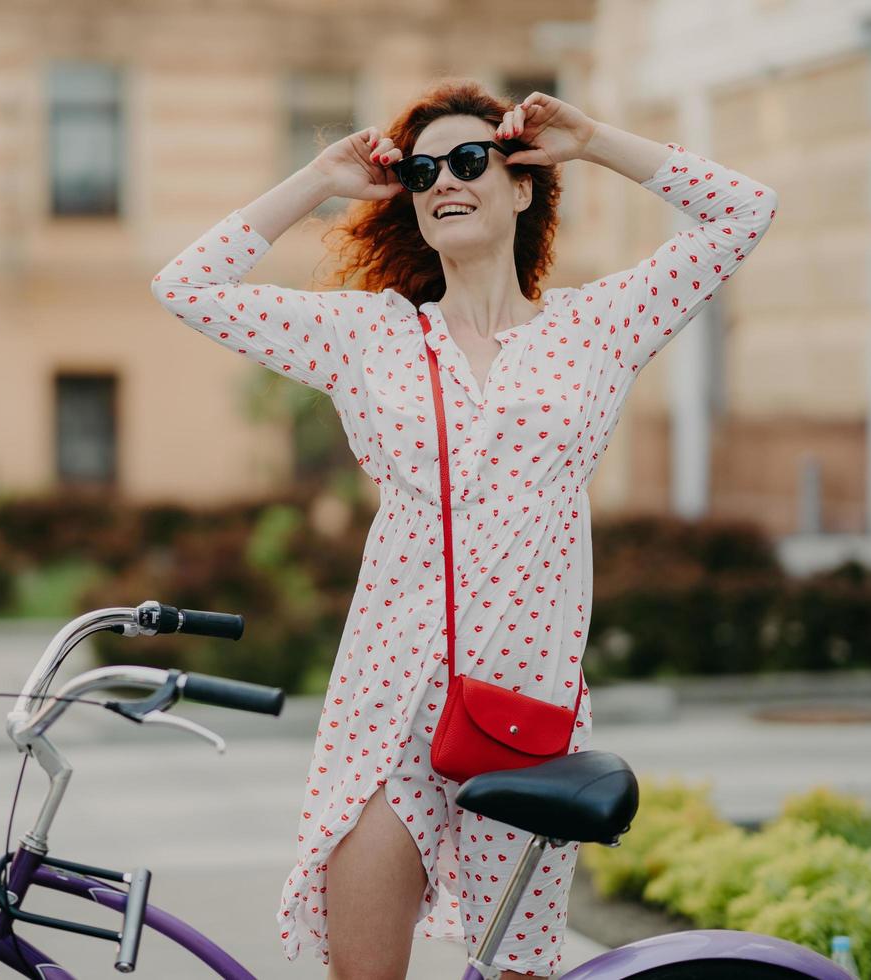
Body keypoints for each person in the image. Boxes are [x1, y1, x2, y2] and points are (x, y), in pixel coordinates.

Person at [149, 79, 778, 980]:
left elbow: (745, 213)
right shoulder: (368, 337)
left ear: (521, 184)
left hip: (524, 712)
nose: (445, 178)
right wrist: (318, 179)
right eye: (422, 169)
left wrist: (594, 139)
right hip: (385, 708)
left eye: (471, 160)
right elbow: (186, 285)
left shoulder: (597, 326)